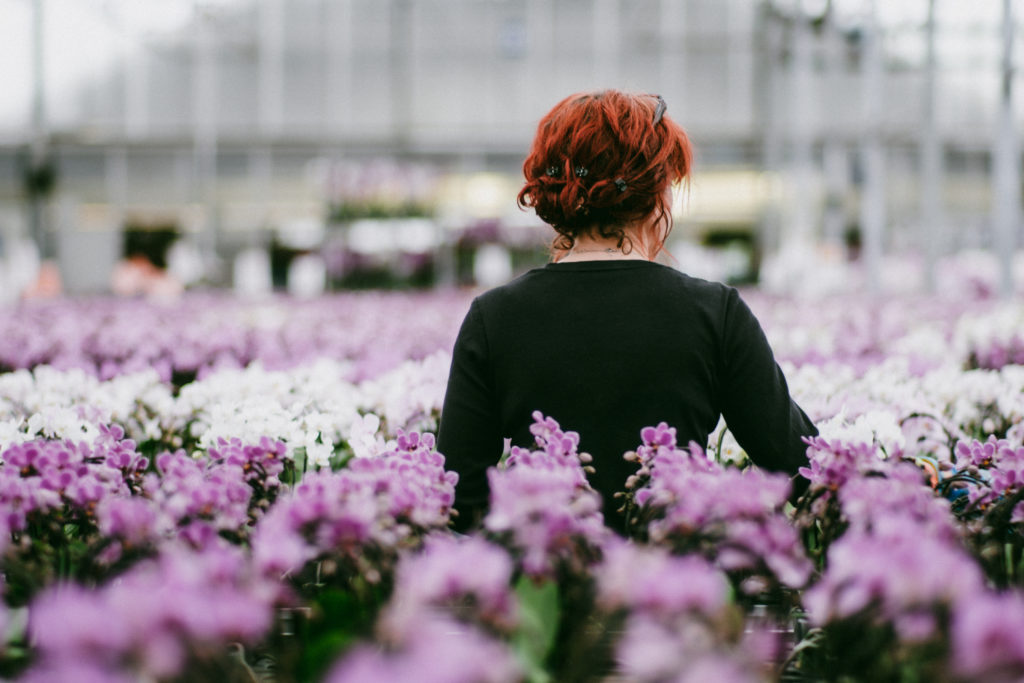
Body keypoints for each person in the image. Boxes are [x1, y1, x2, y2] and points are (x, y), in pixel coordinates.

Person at [437, 90, 816, 535]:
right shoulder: (714, 312)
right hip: (676, 585)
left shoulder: (494, 317)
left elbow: (461, 499)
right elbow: (802, 468)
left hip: (547, 585)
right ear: (656, 191)